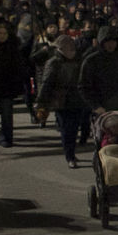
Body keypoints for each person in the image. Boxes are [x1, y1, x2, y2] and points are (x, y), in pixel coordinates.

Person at [35, 35, 90, 168]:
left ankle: (71, 151)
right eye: (67, 49)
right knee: (67, 129)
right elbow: (46, 83)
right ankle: (69, 155)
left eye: (72, 49)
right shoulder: (54, 62)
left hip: (77, 99)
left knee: (75, 127)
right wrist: (41, 102)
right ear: (60, 49)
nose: (71, 52)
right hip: (61, 101)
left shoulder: (79, 61)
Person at [77, 26, 118, 116]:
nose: (111, 44)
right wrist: (96, 106)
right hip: (101, 109)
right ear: (102, 42)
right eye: (107, 41)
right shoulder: (91, 61)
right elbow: (84, 87)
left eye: (113, 41)